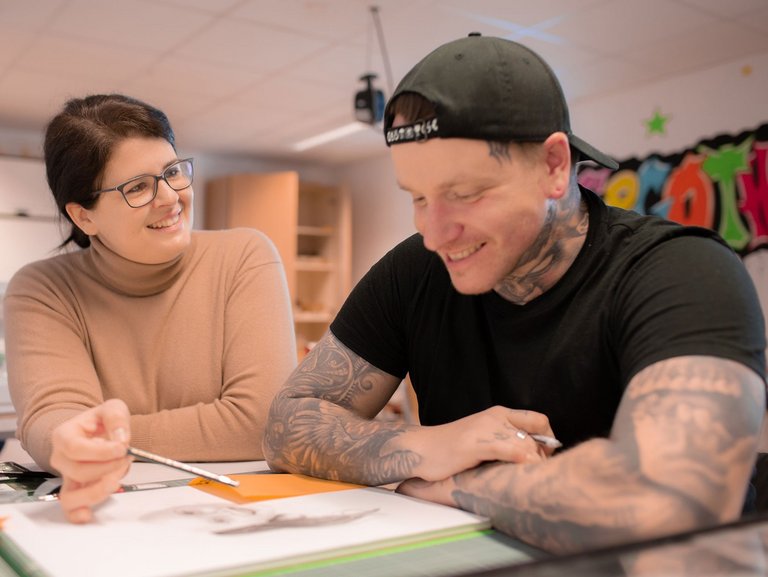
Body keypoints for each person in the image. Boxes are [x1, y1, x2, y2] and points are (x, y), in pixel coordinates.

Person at [263, 34, 767, 554]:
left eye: (464, 194)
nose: (435, 234)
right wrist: (425, 446)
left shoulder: (682, 272)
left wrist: (459, 486)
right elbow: (285, 422)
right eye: (418, 198)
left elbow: (672, 506)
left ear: (554, 165)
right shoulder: (414, 271)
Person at [3, 94, 296, 522]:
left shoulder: (244, 255)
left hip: (235, 515)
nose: (169, 198)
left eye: (172, 173)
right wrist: (60, 437)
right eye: (137, 187)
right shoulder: (43, 289)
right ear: (85, 218)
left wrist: (105, 437)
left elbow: (262, 422)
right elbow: (56, 419)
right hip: (110, 520)